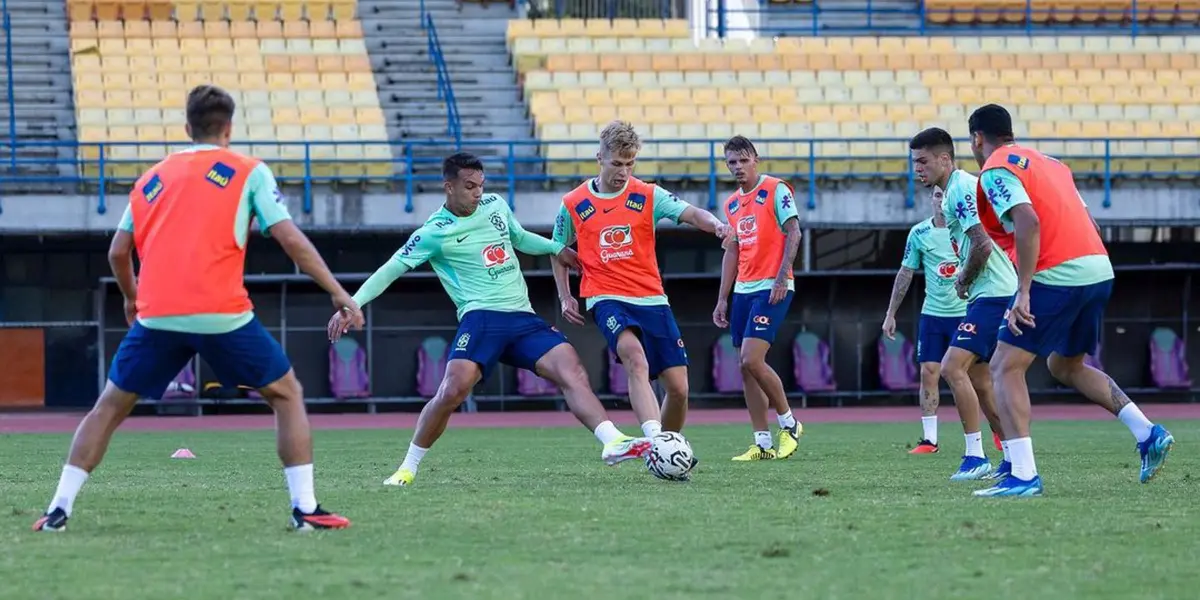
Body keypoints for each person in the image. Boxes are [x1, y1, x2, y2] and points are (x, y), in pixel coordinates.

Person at [33, 85, 359, 532]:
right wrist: (337, 291)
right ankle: (305, 509)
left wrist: (132, 297)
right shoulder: (248, 171)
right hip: (221, 313)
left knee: (107, 407)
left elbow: (117, 253)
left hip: (158, 315)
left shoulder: (151, 178)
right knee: (286, 395)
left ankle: (58, 510)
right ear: (228, 128)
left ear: (187, 128)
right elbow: (291, 241)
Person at [327, 152, 652, 488]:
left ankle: (612, 441)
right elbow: (391, 269)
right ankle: (407, 467)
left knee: (570, 368)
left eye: (480, 185)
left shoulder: (495, 205)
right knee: (453, 390)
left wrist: (557, 248)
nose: (477, 193)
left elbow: (520, 238)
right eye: (469, 187)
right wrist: (352, 304)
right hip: (481, 317)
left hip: (522, 316)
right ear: (449, 187)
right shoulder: (433, 232)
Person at [967, 104, 1174, 497]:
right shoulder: (1052, 165)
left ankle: (1024, 476)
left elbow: (1027, 221)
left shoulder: (996, 168)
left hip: (1056, 272)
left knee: (1004, 366)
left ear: (977, 138)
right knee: (1066, 364)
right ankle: (1147, 433)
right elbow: (1090, 222)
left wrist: (1024, 291)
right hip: (1097, 268)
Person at [552, 120, 730, 445]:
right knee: (635, 357)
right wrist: (565, 295)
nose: (623, 171)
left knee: (678, 389)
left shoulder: (648, 194)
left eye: (630, 163)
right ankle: (655, 441)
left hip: (651, 298)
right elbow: (557, 249)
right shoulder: (574, 202)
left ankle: (665, 452)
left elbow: (692, 213)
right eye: (617, 163)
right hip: (605, 297)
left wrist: (717, 225)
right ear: (600, 158)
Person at [910, 127, 1012, 482]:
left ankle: (975, 457)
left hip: (994, 291)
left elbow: (982, 245)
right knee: (982, 383)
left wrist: (963, 280)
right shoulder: (954, 189)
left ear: (944, 159)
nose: (917, 169)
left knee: (953, 369)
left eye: (923, 161)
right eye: (914, 163)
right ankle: (1014, 458)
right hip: (989, 292)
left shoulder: (961, 190)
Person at [710, 136, 804, 461]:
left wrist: (782, 275)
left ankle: (789, 424)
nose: (737, 167)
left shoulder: (776, 189)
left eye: (742, 160)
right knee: (745, 368)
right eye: (731, 162)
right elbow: (732, 251)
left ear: (756, 159)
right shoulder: (731, 204)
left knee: (752, 358)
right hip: (743, 290)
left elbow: (794, 231)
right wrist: (722, 298)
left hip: (771, 285)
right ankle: (762, 443)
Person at [881, 163, 969, 455]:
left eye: (946, 196)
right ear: (931, 199)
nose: (941, 202)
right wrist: (891, 313)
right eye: (936, 196)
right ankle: (929, 440)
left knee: (978, 377)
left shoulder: (968, 229)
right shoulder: (919, 233)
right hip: (933, 314)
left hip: (967, 313)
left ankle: (996, 430)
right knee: (929, 372)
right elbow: (905, 273)